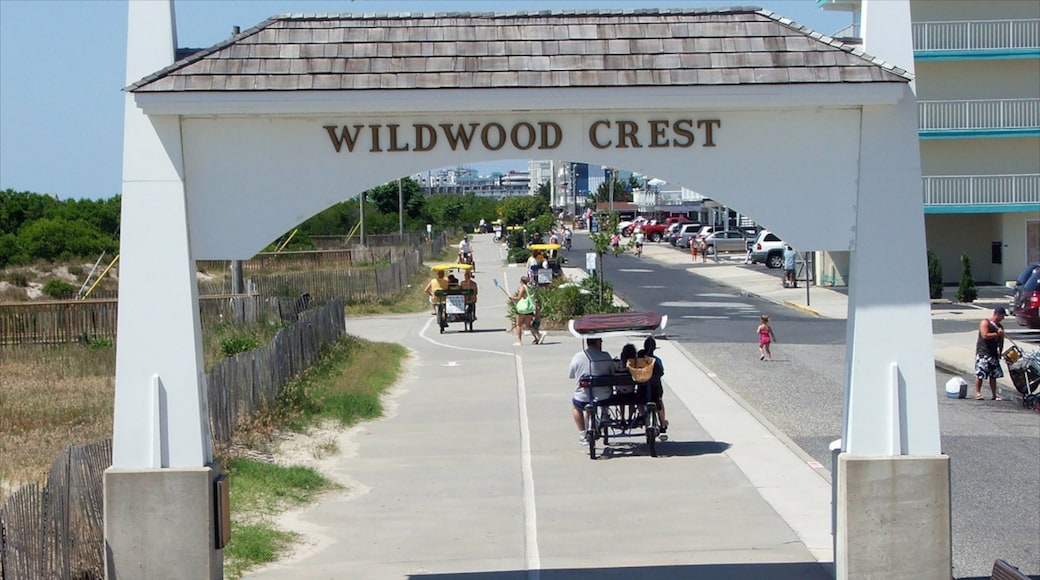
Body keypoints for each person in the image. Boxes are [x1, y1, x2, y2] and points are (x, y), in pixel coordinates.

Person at [569, 337, 615, 445]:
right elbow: (612, 372)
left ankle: (582, 433)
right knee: (606, 391)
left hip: (584, 396)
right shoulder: (605, 356)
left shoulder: (578, 356)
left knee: (575, 406)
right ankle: (604, 414)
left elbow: (571, 375)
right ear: (598, 342)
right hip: (603, 395)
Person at [974, 307, 1006, 401]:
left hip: (993, 354)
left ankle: (994, 394)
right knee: (980, 374)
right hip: (983, 352)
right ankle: (978, 393)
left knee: (993, 375)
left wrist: (1000, 351)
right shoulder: (985, 322)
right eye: (1003, 316)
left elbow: (1001, 340)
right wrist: (997, 334)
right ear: (998, 314)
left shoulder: (999, 326)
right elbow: (985, 335)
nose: (1003, 318)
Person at [638, 336, 668, 431]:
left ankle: (641, 414)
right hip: (655, 389)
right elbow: (661, 373)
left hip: (642, 389)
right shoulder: (657, 360)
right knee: (659, 400)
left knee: (639, 400)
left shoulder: (639, 360)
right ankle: (662, 421)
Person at [509, 276, 545, 345]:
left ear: (521, 282)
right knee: (528, 325)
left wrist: (512, 298)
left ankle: (519, 341)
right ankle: (538, 336)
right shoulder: (530, 288)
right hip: (529, 309)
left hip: (522, 309)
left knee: (518, 325)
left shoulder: (523, 287)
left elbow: (519, 298)